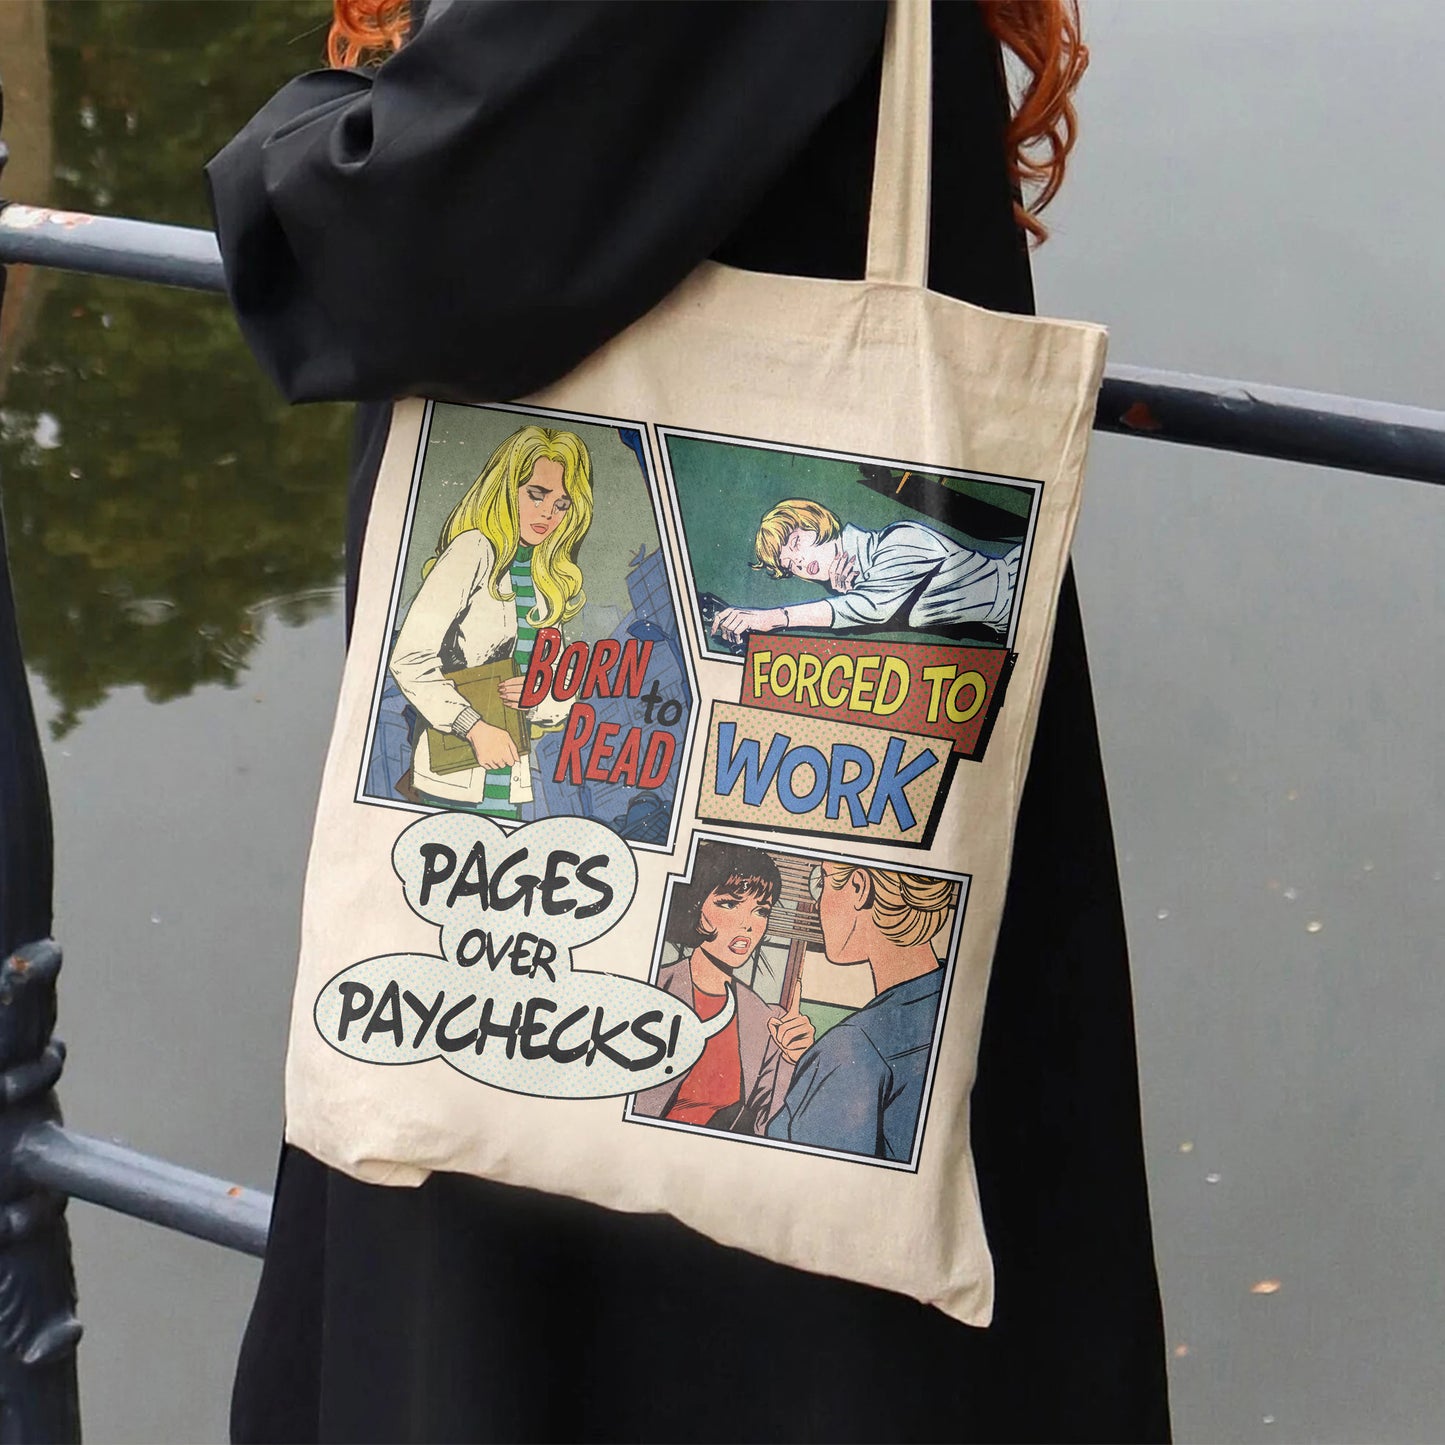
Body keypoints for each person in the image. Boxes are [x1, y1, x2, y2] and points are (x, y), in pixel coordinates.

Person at [208, 2, 1170, 1440]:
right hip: (793, 805)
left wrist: (285, 151)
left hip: (585, 1139)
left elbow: (411, 235)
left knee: (541, 1347)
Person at [389, 423, 591, 818]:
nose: (547, 513)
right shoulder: (473, 550)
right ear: (507, 489)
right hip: (452, 776)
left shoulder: (547, 577)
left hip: (510, 780)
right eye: (536, 495)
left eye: (562, 504)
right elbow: (409, 660)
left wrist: (538, 694)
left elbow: (561, 692)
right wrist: (474, 727)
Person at [767, 864, 954, 1162]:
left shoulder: (853, 1046)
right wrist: (816, 1067)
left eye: (821, 883)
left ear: (858, 887)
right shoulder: (949, 1004)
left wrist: (829, 1066)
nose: (817, 905)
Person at [632, 842, 814, 1134]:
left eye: (761, 911)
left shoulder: (767, 1020)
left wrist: (794, 1060)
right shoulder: (653, 989)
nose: (748, 925)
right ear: (696, 905)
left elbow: (770, 1129)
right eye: (729, 904)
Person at [711, 498, 1020, 644]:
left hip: (1022, 590)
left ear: (818, 523)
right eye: (790, 565)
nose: (800, 563)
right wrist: (848, 593)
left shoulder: (900, 539)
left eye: (796, 543)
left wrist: (773, 618)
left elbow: (873, 608)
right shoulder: (863, 581)